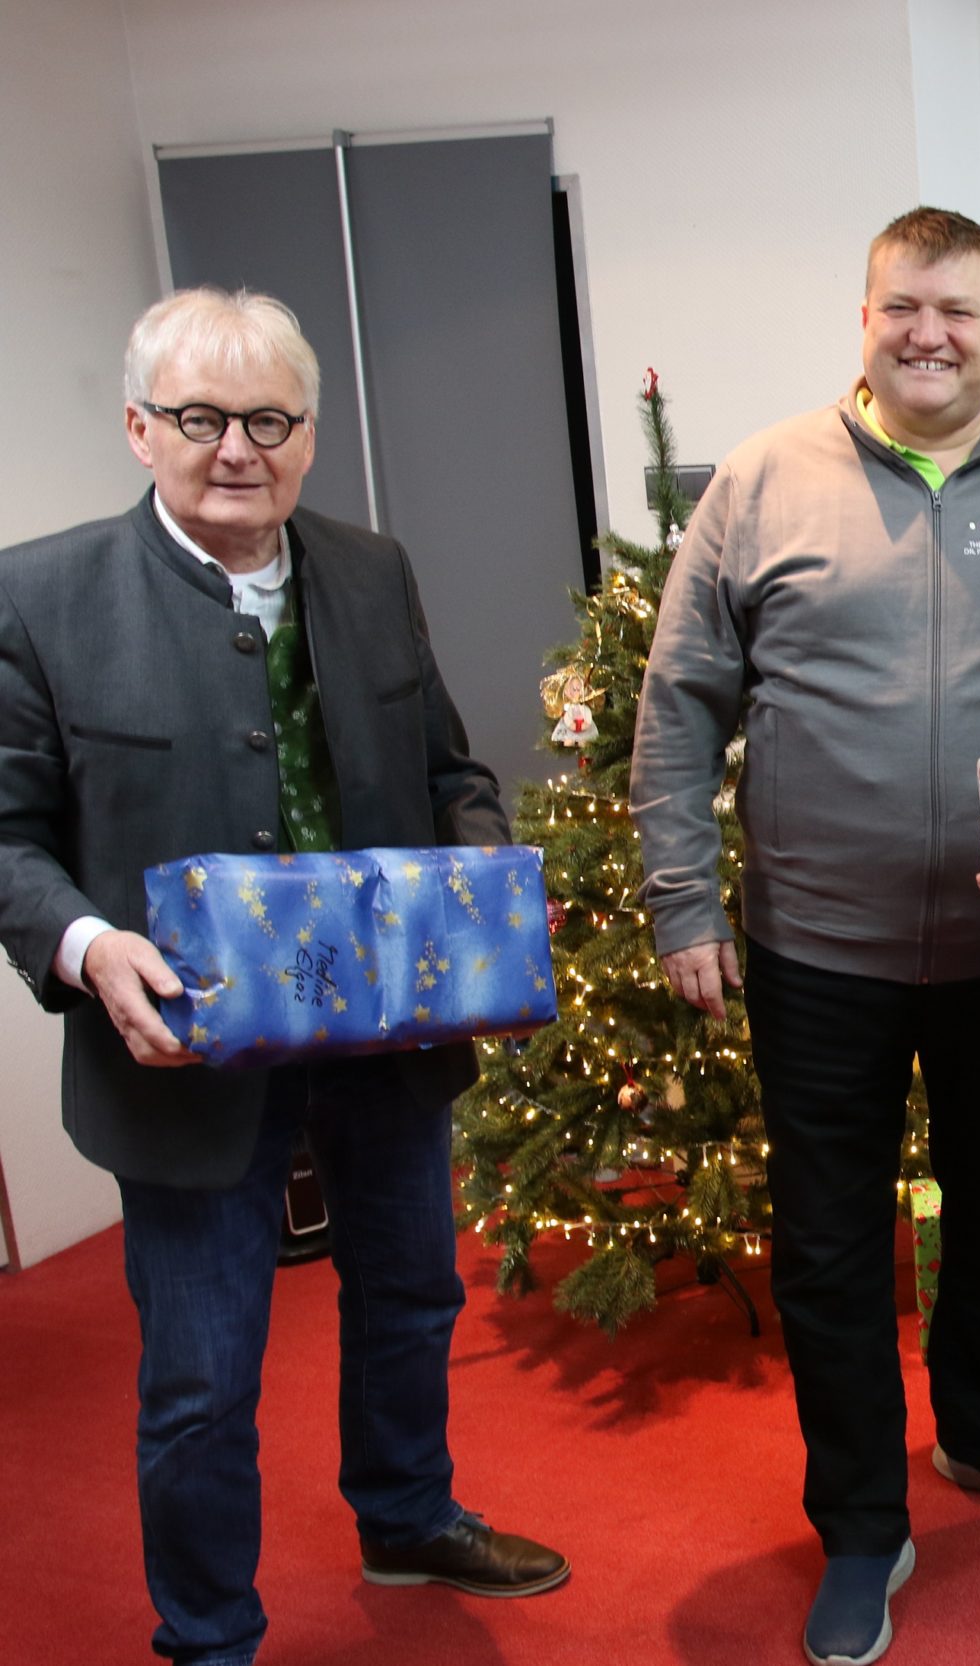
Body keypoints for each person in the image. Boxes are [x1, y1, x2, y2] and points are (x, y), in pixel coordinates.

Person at [0, 287, 567, 1666]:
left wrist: (481, 879)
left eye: (268, 419)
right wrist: (89, 947)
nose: (235, 447)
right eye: (200, 417)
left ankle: (407, 1511)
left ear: (308, 435)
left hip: (387, 1035)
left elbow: (450, 773)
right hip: (182, 1056)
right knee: (201, 1375)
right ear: (141, 427)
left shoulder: (371, 568)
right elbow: (10, 835)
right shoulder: (40, 594)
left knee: (413, 1295)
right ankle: (207, 1631)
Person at [631, 206, 980, 1666]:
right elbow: (678, 706)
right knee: (833, 1247)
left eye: (960, 312)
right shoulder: (760, 479)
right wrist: (680, 896)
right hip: (817, 951)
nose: (930, 334)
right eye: (904, 306)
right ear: (865, 316)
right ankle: (861, 1521)